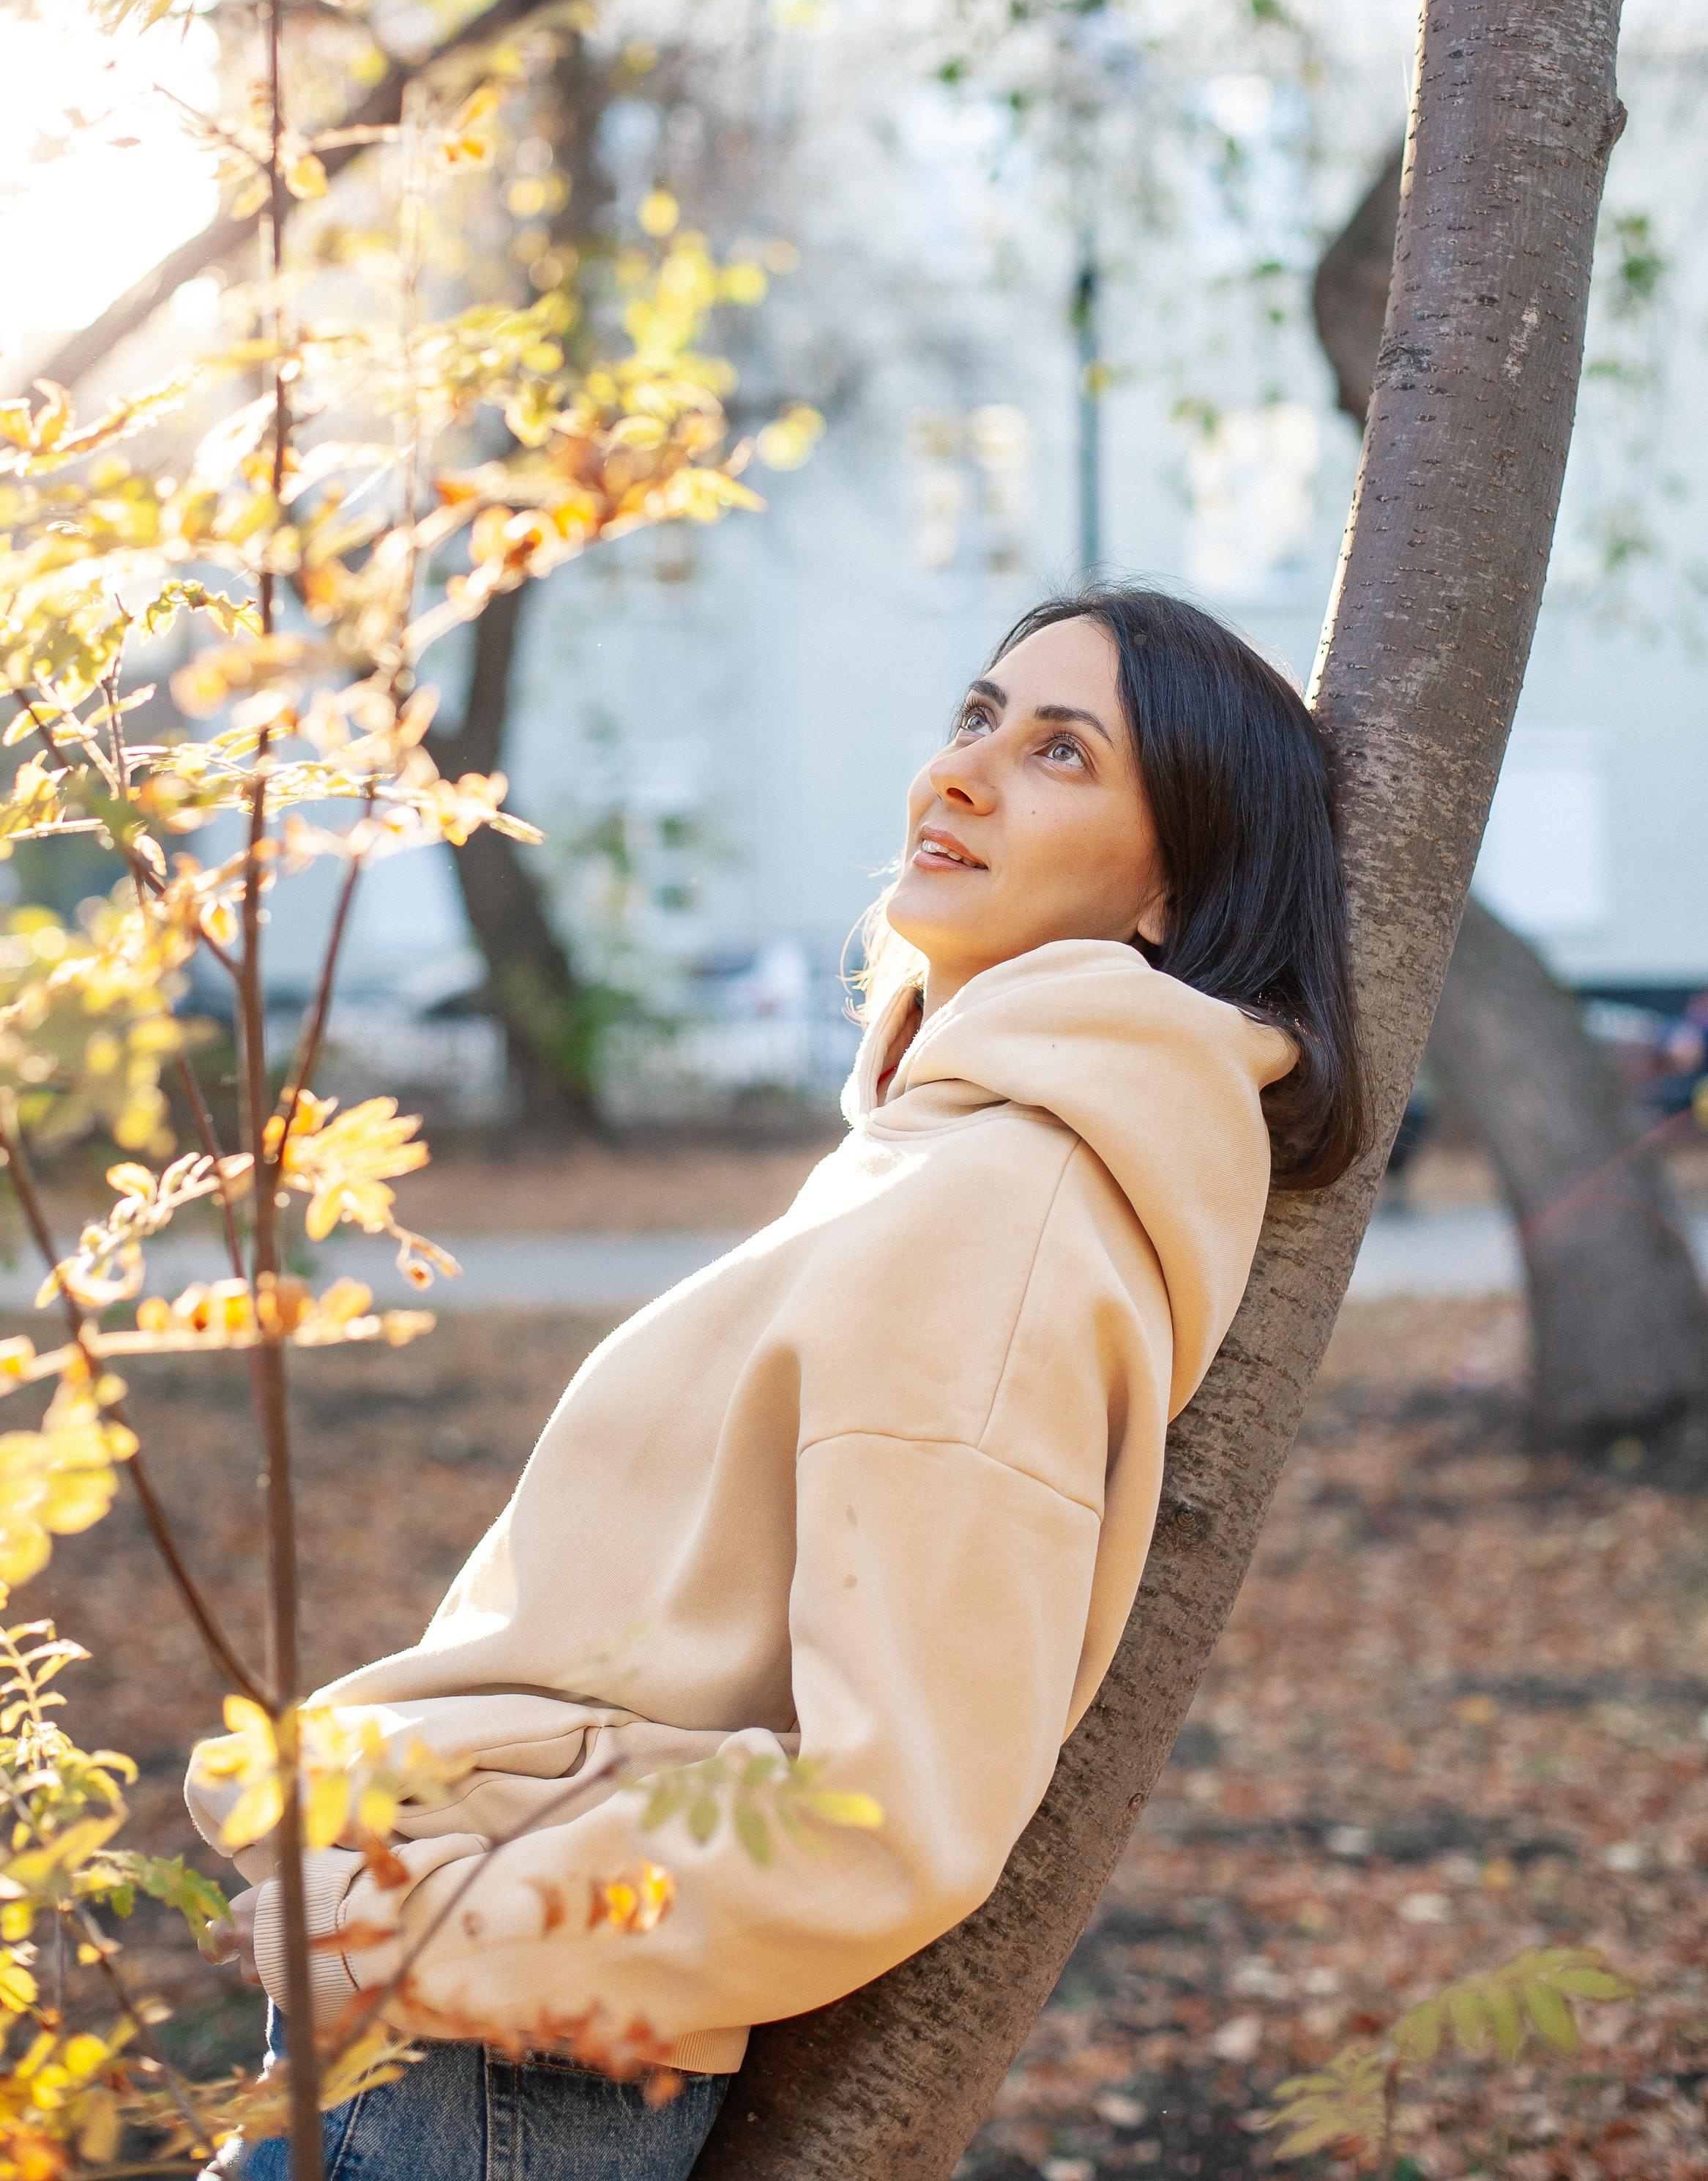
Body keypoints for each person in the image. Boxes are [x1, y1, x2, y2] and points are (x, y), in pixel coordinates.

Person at [190, 583, 1366, 2180]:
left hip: (495, 2058)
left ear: (1175, 886)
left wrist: (419, 1935)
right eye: (976, 718)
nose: (960, 773)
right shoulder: (933, 1154)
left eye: (1061, 752)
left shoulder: (1006, 1207)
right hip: (463, 2029)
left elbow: (884, 1811)